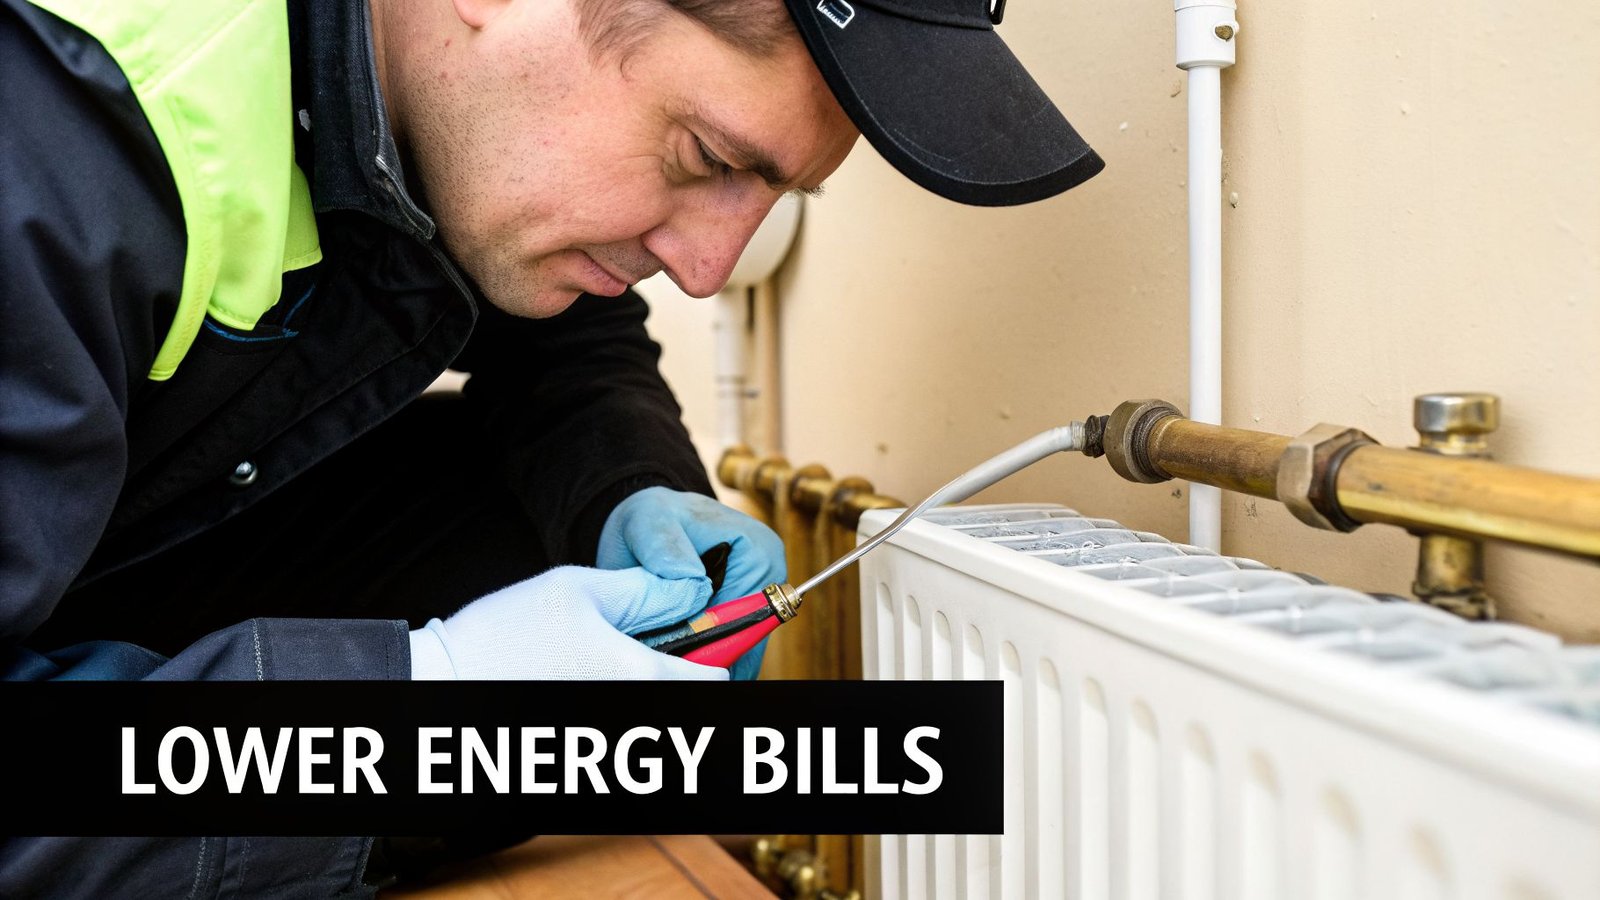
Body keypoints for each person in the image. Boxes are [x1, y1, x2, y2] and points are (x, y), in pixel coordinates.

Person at [0, 0, 1101, 892]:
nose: (711, 267)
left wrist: (627, 494)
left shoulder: (417, 105)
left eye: (772, 194)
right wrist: (414, 721)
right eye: (704, 154)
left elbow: (564, 339)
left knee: (523, 548)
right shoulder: (47, 137)